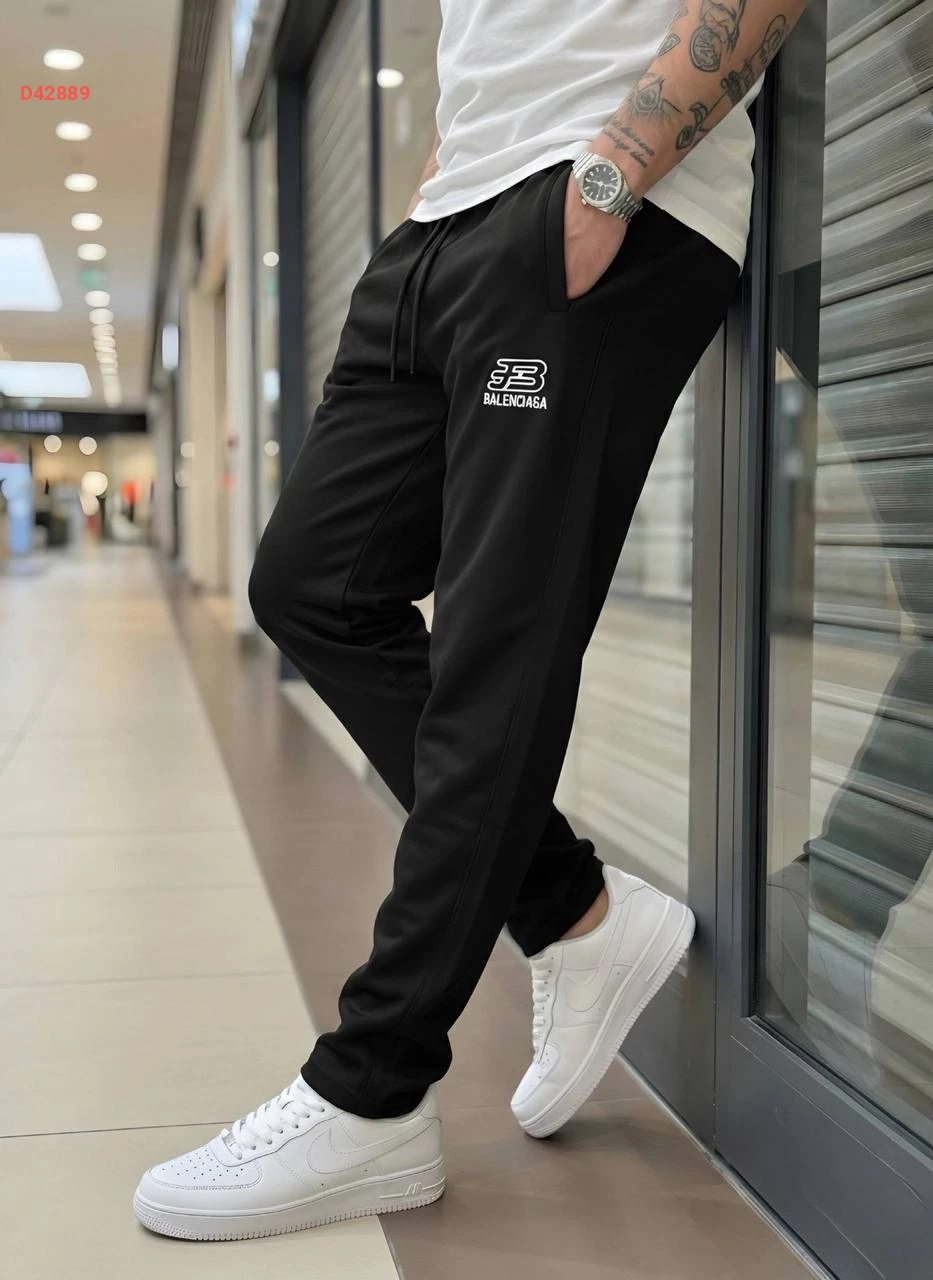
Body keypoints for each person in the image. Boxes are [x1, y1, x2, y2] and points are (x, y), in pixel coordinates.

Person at [135, 0, 808, 1241]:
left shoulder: (606, 194)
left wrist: (614, 173)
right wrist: (449, 175)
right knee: (312, 584)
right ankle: (570, 910)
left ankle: (375, 1091)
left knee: (498, 653)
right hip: (450, 221)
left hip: (599, 201)